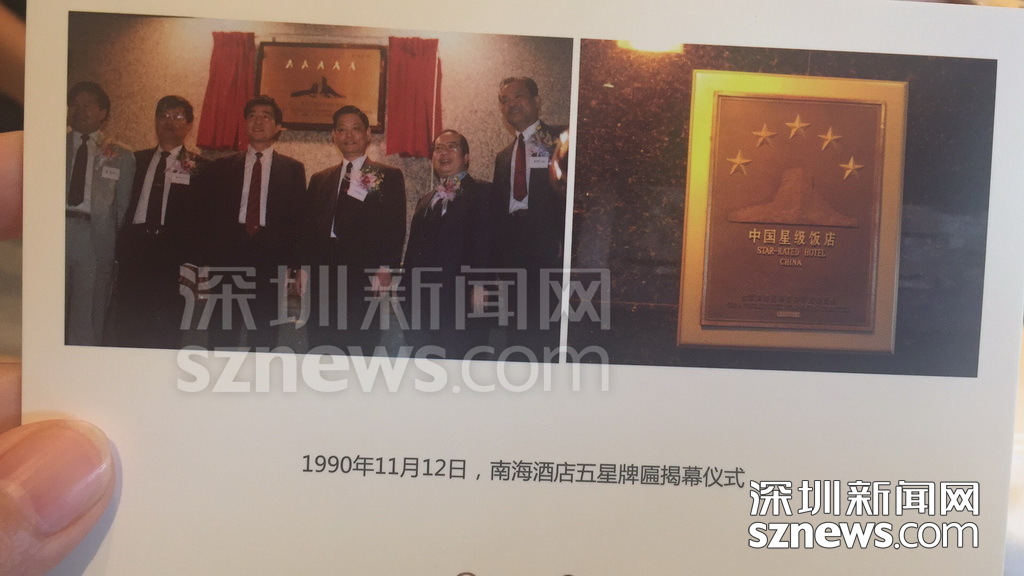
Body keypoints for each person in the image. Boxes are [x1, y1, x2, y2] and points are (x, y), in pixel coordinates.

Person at [199, 95, 305, 350]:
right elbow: (209, 217)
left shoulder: (293, 169)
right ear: (244, 123)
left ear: (278, 127)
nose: (258, 121)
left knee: (264, 336)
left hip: (270, 261)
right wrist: (204, 261)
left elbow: (298, 219)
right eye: (252, 116)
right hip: (227, 259)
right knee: (222, 333)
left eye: (266, 117)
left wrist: (296, 266)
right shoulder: (221, 167)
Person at [299, 105, 405, 355]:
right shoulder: (320, 179)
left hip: (363, 276)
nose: (348, 135)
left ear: (368, 134)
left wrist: (386, 267)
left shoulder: (387, 175)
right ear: (334, 136)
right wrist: (302, 268)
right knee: (321, 347)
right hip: (322, 277)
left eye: (355, 129)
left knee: (360, 348)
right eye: (341, 130)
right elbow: (307, 229)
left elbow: (395, 225)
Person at [113, 95, 208, 349]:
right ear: (155, 121)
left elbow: (203, 220)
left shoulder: (201, 167)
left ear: (189, 125)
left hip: (172, 255)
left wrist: (193, 262)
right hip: (135, 250)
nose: (170, 121)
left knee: (166, 329)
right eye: (164, 115)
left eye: (178, 116)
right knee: (128, 324)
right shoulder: (134, 160)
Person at [491, 77, 566, 355]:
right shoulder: (503, 157)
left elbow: (571, 197)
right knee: (516, 332)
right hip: (513, 254)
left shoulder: (559, 142)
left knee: (546, 331)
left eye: (518, 96)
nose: (511, 104)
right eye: (504, 100)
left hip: (549, 251)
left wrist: (563, 241)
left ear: (536, 101)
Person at [403, 130, 492, 358]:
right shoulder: (425, 200)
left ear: (466, 157)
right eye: (438, 149)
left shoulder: (483, 192)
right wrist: (405, 294)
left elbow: (486, 242)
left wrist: (481, 285)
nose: (444, 153)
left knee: (460, 364)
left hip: (462, 299)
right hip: (422, 303)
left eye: (452, 147)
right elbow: (413, 251)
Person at [65, 81, 135, 346]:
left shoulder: (120, 154)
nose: (79, 110)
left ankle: (82, 361)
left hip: (93, 236)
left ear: (103, 112)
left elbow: (122, 205)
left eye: (87, 105)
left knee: (88, 311)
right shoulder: (51, 145)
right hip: (54, 232)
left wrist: (108, 234)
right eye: (74, 105)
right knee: (48, 306)